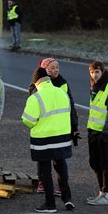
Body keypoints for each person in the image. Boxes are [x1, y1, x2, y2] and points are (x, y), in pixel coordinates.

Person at [22, 67, 74, 213]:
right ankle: (67, 199)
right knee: (61, 167)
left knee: (45, 172)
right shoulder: (62, 92)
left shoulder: (36, 97)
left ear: (36, 82)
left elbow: (28, 121)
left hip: (43, 140)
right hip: (62, 137)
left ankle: (50, 204)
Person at [35, 58, 80, 195]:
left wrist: (74, 126)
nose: (55, 71)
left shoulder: (63, 83)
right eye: (51, 68)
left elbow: (71, 105)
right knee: (43, 157)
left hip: (60, 127)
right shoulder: (36, 85)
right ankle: (42, 182)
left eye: (57, 68)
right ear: (44, 71)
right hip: (44, 128)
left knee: (59, 158)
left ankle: (62, 185)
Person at [86, 61, 108, 206]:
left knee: (106, 162)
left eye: (97, 72)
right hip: (93, 130)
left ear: (103, 72)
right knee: (94, 162)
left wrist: (105, 133)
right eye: (93, 72)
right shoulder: (94, 87)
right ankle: (101, 192)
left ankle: (107, 194)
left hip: (107, 132)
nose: (95, 74)